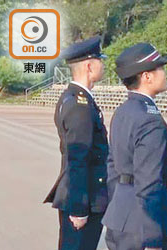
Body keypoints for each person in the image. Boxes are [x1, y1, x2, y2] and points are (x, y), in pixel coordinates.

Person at [101, 43, 167, 250]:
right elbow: (149, 181)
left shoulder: (124, 111)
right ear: (147, 76)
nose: (164, 73)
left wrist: (117, 204)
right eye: (160, 68)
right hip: (143, 222)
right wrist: (152, 236)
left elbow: (112, 166)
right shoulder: (149, 119)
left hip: (122, 212)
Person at [43, 36, 109, 250]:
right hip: (84, 198)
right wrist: (79, 208)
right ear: (90, 66)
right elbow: (78, 158)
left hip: (83, 194)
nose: (104, 65)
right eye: (101, 60)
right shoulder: (80, 105)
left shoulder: (73, 97)